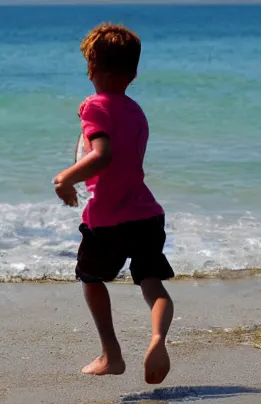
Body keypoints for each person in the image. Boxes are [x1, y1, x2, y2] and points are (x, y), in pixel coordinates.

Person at [53, 23, 174, 384]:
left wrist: (65, 178)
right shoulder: (136, 111)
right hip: (146, 214)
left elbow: (102, 156)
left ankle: (112, 354)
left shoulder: (93, 105)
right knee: (153, 284)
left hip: (107, 219)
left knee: (90, 278)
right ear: (133, 73)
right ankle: (157, 338)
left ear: (92, 68)